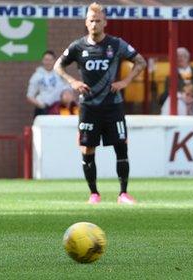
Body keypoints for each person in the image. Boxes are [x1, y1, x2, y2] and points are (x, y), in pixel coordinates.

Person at [54, 2, 146, 204]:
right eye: (91, 21)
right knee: (87, 149)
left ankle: (123, 193)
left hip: (113, 105)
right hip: (88, 107)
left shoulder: (116, 44)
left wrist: (125, 82)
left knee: (121, 147)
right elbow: (58, 66)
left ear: (105, 22)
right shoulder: (78, 46)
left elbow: (141, 61)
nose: (94, 24)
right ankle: (94, 193)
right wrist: (73, 81)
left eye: (98, 20)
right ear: (86, 23)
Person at [161, 47, 193, 114]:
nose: (180, 58)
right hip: (179, 112)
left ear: (188, 58)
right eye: (177, 56)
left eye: (182, 56)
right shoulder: (171, 76)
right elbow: (168, 94)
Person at [27, 50, 69, 117]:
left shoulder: (60, 74)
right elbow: (29, 96)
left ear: (54, 61)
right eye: (46, 60)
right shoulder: (37, 76)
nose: (48, 62)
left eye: (50, 60)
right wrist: (41, 105)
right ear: (42, 61)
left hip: (58, 108)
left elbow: (67, 89)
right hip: (42, 109)